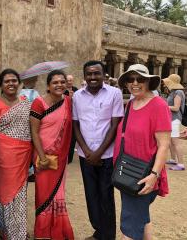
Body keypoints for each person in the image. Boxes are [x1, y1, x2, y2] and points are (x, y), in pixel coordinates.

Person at [114, 64, 170, 239]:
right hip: (127, 172)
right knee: (142, 219)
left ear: (148, 82)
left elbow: (164, 145)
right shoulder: (131, 104)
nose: (135, 83)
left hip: (145, 176)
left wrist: (154, 175)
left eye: (140, 79)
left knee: (129, 229)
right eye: (130, 79)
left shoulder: (159, 105)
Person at [72, 60, 124, 240]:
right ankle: (98, 230)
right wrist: (87, 152)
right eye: (89, 74)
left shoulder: (114, 93)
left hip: (107, 155)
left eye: (96, 73)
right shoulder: (77, 96)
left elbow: (115, 124)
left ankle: (108, 235)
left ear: (103, 75)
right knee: (91, 194)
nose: (93, 77)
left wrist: (98, 153)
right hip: (85, 155)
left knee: (105, 194)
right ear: (84, 76)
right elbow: (76, 125)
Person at [0, 68, 32, 240]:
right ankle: (8, 233)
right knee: (6, 194)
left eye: (14, 80)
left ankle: (19, 232)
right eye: (7, 81)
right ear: (1, 85)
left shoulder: (25, 101)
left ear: (19, 83)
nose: (11, 83)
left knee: (20, 194)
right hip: (4, 156)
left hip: (23, 156)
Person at [30, 70, 74, 240]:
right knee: (44, 194)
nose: (59, 85)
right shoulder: (38, 103)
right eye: (55, 82)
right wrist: (42, 157)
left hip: (60, 158)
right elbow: (34, 132)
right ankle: (43, 233)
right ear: (48, 86)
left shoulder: (68, 102)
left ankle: (58, 231)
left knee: (59, 194)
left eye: (62, 82)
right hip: (43, 157)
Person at [162, 74, 186, 171]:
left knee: (176, 142)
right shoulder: (174, 91)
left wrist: (163, 107)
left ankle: (180, 164)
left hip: (175, 119)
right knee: (171, 141)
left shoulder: (179, 92)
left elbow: (176, 108)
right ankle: (173, 159)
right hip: (171, 118)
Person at [64, 74, 78, 164]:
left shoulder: (76, 90)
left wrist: (73, 98)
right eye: (68, 80)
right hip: (64, 117)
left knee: (73, 138)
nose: (69, 82)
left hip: (73, 117)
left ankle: (69, 159)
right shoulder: (62, 91)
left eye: (71, 80)